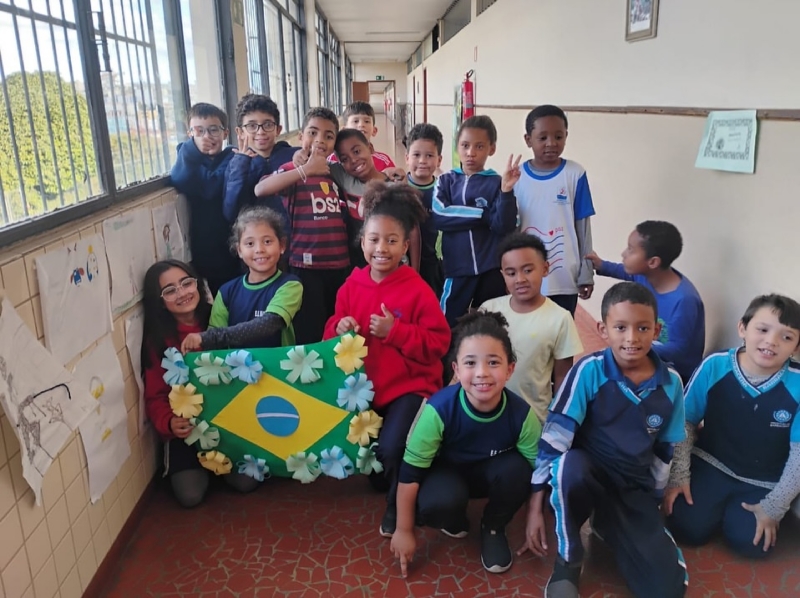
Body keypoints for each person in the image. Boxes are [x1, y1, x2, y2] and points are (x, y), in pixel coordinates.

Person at [520, 282, 687, 598]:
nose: (631, 338)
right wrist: (535, 506)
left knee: (666, 590)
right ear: (603, 329)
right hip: (588, 476)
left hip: (632, 485)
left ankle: (608, 523)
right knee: (567, 467)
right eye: (620, 327)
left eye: (642, 328)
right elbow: (554, 439)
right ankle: (568, 560)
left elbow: (666, 448)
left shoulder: (671, 383)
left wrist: (651, 505)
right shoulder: (588, 371)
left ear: (657, 331)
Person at [323, 181, 450, 540]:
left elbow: (439, 343)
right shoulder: (350, 286)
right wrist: (339, 327)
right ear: (362, 241)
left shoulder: (417, 288)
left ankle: (398, 505)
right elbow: (331, 334)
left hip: (410, 388)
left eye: (392, 241)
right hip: (367, 392)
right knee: (379, 462)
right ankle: (393, 475)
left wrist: (395, 331)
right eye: (374, 239)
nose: (382, 248)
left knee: (393, 448)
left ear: (406, 246)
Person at [390, 311, 541, 576]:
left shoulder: (522, 415)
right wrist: (403, 530)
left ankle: (493, 526)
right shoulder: (438, 410)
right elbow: (410, 473)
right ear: (457, 370)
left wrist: (534, 515)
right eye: (470, 363)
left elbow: (539, 471)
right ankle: (454, 519)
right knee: (437, 504)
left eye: (493, 362)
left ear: (510, 369)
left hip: (492, 475)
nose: (482, 373)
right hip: (447, 475)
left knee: (519, 470)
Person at [665, 294, 800, 559]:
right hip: (711, 463)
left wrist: (775, 506)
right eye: (762, 330)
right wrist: (679, 476)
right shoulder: (716, 365)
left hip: (763, 479)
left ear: (796, 347)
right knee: (686, 527)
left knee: (752, 544)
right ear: (742, 328)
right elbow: (685, 421)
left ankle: (732, 516)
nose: (771, 341)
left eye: (787, 337)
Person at [141, 260, 259, 507]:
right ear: (160, 301)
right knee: (190, 496)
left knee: (247, 482)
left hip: (228, 421)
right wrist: (169, 422)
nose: (182, 293)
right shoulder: (158, 340)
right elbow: (155, 396)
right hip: (188, 428)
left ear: (197, 283)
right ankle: (201, 466)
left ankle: (218, 465)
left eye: (186, 283)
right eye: (170, 290)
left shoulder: (220, 318)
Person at [254, 107, 349, 344]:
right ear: (300, 137)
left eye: (328, 136)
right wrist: (304, 170)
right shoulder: (293, 171)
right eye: (313, 132)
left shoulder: (334, 173)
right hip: (306, 266)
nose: (320, 140)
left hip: (340, 263)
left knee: (338, 325)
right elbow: (261, 189)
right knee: (310, 329)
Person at [480, 232, 583, 423]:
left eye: (528, 270)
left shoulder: (560, 318)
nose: (520, 279)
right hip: (487, 416)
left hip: (535, 419)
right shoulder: (489, 309)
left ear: (545, 268)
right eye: (511, 273)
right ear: (503, 275)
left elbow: (562, 376)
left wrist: (559, 420)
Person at [586, 220, 705, 384]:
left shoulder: (684, 301)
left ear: (653, 262)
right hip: (647, 354)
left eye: (631, 249)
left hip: (675, 375)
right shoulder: (647, 275)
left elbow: (678, 350)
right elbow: (625, 272)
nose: (623, 254)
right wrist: (601, 265)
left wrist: (635, 346)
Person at [433, 115, 520, 327]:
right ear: (457, 147)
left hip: (490, 268)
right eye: (465, 145)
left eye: (479, 146)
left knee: (492, 324)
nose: (471, 152)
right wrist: (484, 214)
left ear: (492, 149)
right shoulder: (446, 180)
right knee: (447, 323)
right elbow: (440, 215)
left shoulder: (497, 182)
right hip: (457, 267)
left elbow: (504, 225)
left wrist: (506, 191)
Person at [181, 206, 302, 353]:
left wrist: (208, 338)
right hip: (234, 366)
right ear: (239, 250)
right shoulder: (226, 291)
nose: (259, 249)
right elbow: (215, 342)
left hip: (277, 365)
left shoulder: (290, 285)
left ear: (282, 245)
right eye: (250, 243)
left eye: (267, 241)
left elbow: (269, 324)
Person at [514, 105, 596, 317]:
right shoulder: (517, 177)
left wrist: (586, 272)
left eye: (558, 136)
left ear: (566, 136)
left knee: (562, 333)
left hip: (565, 278)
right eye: (542, 138)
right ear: (528, 140)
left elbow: (583, 228)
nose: (551, 143)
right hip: (526, 278)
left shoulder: (575, 173)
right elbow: (511, 230)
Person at [168, 103, 239, 295]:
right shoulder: (189, 157)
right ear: (190, 134)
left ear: (225, 133)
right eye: (199, 131)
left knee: (234, 295)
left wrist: (193, 160)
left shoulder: (232, 156)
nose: (207, 137)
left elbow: (211, 187)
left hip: (232, 243)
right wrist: (190, 150)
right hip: (204, 247)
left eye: (213, 130)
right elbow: (178, 179)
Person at [223, 94, 299, 222]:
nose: (260, 131)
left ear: (278, 129)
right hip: (256, 232)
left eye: (268, 124)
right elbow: (231, 212)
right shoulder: (235, 165)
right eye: (252, 126)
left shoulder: (294, 157)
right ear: (240, 132)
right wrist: (241, 164)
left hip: (293, 232)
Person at [405, 123, 445, 295]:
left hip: (435, 264)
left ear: (439, 160)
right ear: (407, 157)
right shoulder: (398, 188)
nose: (422, 160)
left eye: (429, 155)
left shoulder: (443, 191)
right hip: (404, 262)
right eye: (416, 155)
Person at [331, 101, 396, 171]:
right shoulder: (333, 159)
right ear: (344, 130)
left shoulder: (384, 162)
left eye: (367, 121)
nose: (361, 125)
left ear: (374, 131)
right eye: (356, 121)